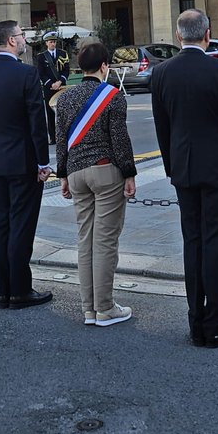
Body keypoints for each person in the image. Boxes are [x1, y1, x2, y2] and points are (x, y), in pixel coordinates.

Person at [151, 8, 218, 349]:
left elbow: (162, 127)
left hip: (184, 169)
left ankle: (196, 320)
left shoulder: (162, 72)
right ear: (207, 35)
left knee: (192, 243)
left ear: (179, 36)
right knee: (217, 244)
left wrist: (171, 167)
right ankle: (216, 322)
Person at [0, 19, 53, 309]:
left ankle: (3, 289)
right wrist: (43, 161)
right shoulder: (26, 74)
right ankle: (20, 290)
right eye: (21, 35)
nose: (25, 40)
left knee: (1, 224)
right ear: (10, 41)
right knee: (21, 224)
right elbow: (37, 123)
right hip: (22, 161)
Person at [55, 40, 137, 327]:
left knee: (85, 239)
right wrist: (129, 173)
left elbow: (61, 141)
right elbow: (120, 139)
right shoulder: (113, 95)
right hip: (105, 171)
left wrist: (62, 174)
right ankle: (105, 308)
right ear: (105, 66)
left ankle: (88, 309)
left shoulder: (64, 98)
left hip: (76, 173)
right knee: (105, 242)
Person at [37, 33, 70, 144]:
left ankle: (65, 136)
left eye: (54, 41)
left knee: (64, 111)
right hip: (49, 88)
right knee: (50, 113)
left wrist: (60, 81)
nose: (53, 43)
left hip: (62, 86)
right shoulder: (41, 56)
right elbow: (41, 74)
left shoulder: (63, 53)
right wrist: (51, 84)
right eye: (50, 42)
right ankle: (53, 137)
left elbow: (66, 70)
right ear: (46, 43)